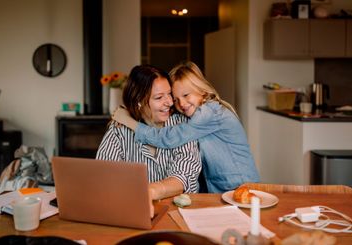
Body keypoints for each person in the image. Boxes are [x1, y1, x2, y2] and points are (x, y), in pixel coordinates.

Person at [113, 61, 259, 193]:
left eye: (186, 95)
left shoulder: (209, 113)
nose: (181, 104)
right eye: (175, 99)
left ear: (202, 90)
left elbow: (168, 138)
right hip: (221, 189)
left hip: (241, 188)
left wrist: (128, 120)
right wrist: (133, 110)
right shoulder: (193, 114)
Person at [96, 65, 202, 214]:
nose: (170, 102)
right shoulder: (119, 130)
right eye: (159, 97)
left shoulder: (182, 125)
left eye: (169, 94)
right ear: (139, 101)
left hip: (180, 213)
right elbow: (104, 175)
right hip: (131, 211)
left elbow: (183, 177)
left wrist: (149, 191)